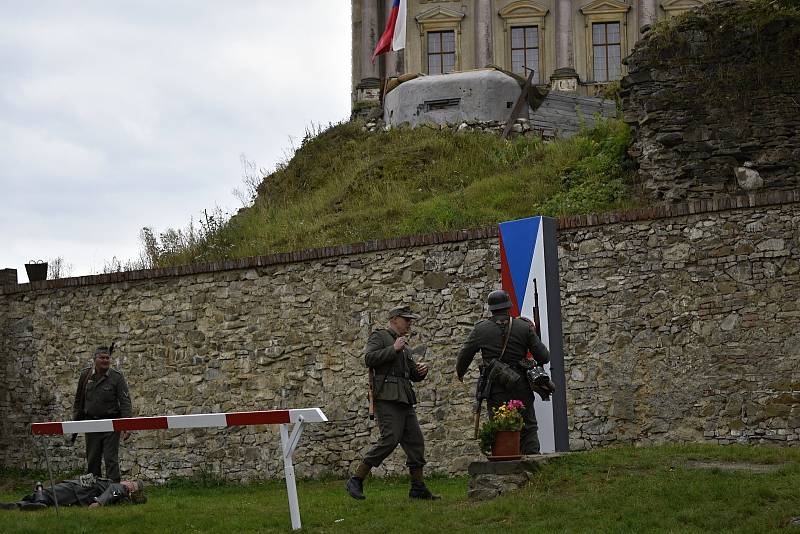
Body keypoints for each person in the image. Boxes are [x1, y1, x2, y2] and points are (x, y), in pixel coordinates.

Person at [345, 305, 440, 501]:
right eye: (407, 319)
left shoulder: (404, 345)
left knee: (416, 442)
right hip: (386, 397)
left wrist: (420, 372)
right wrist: (392, 349)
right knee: (390, 439)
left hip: (404, 398)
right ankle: (357, 478)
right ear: (395, 319)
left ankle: (418, 488)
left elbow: (410, 374)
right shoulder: (380, 337)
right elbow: (369, 359)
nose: (409, 323)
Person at [456, 290, 551, 454]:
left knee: (499, 424)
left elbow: (464, 356)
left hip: (496, 386)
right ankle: (533, 464)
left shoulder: (480, 329)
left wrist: (460, 373)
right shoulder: (523, 327)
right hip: (521, 384)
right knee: (528, 426)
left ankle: (503, 464)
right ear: (508, 306)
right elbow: (544, 356)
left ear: (491, 308)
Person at [72, 346, 133, 482]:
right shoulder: (85, 375)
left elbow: (125, 402)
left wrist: (127, 425)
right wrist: (76, 421)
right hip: (91, 423)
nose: (105, 360)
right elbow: (78, 400)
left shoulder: (116, 377)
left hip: (111, 424)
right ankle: (93, 490)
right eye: (102, 358)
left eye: (107, 358)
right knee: (92, 459)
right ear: (95, 360)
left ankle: (114, 490)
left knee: (111, 459)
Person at [0, 476, 146, 510]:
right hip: (80, 489)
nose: (126, 481)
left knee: (49, 493)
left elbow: (114, 491)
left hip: (79, 490)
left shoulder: (121, 488)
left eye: (130, 482)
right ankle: (18, 505)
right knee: (48, 494)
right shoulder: (121, 491)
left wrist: (100, 502)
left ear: (132, 488)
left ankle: (37, 502)